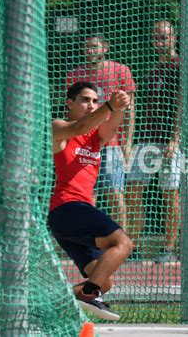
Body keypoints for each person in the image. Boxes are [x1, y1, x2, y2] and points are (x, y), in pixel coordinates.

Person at [48, 81, 133, 321]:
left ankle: (48, 305)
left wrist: (119, 107)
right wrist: (108, 106)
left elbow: (108, 127)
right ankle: (88, 294)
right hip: (66, 207)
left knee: (103, 279)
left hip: (76, 214)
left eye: (95, 101)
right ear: (69, 103)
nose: (91, 105)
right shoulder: (58, 127)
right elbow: (82, 126)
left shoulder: (96, 136)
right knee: (123, 244)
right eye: (85, 100)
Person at [66, 32, 136, 231]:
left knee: (114, 192)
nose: (90, 51)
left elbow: (130, 110)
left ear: (105, 48)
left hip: (111, 141)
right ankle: (89, 240)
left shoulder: (120, 71)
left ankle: (121, 240)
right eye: (87, 47)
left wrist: (127, 144)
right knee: (87, 194)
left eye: (94, 46)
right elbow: (71, 110)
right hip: (83, 143)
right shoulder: (75, 75)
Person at [126, 20, 182, 263]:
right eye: (156, 37)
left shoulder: (180, 67)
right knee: (132, 190)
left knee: (169, 193)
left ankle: (168, 249)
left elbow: (183, 104)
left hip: (169, 142)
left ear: (174, 38)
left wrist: (175, 139)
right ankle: (133, 247)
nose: (160, 41)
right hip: (147, 141)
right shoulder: (153, 70)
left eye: (164, 36)